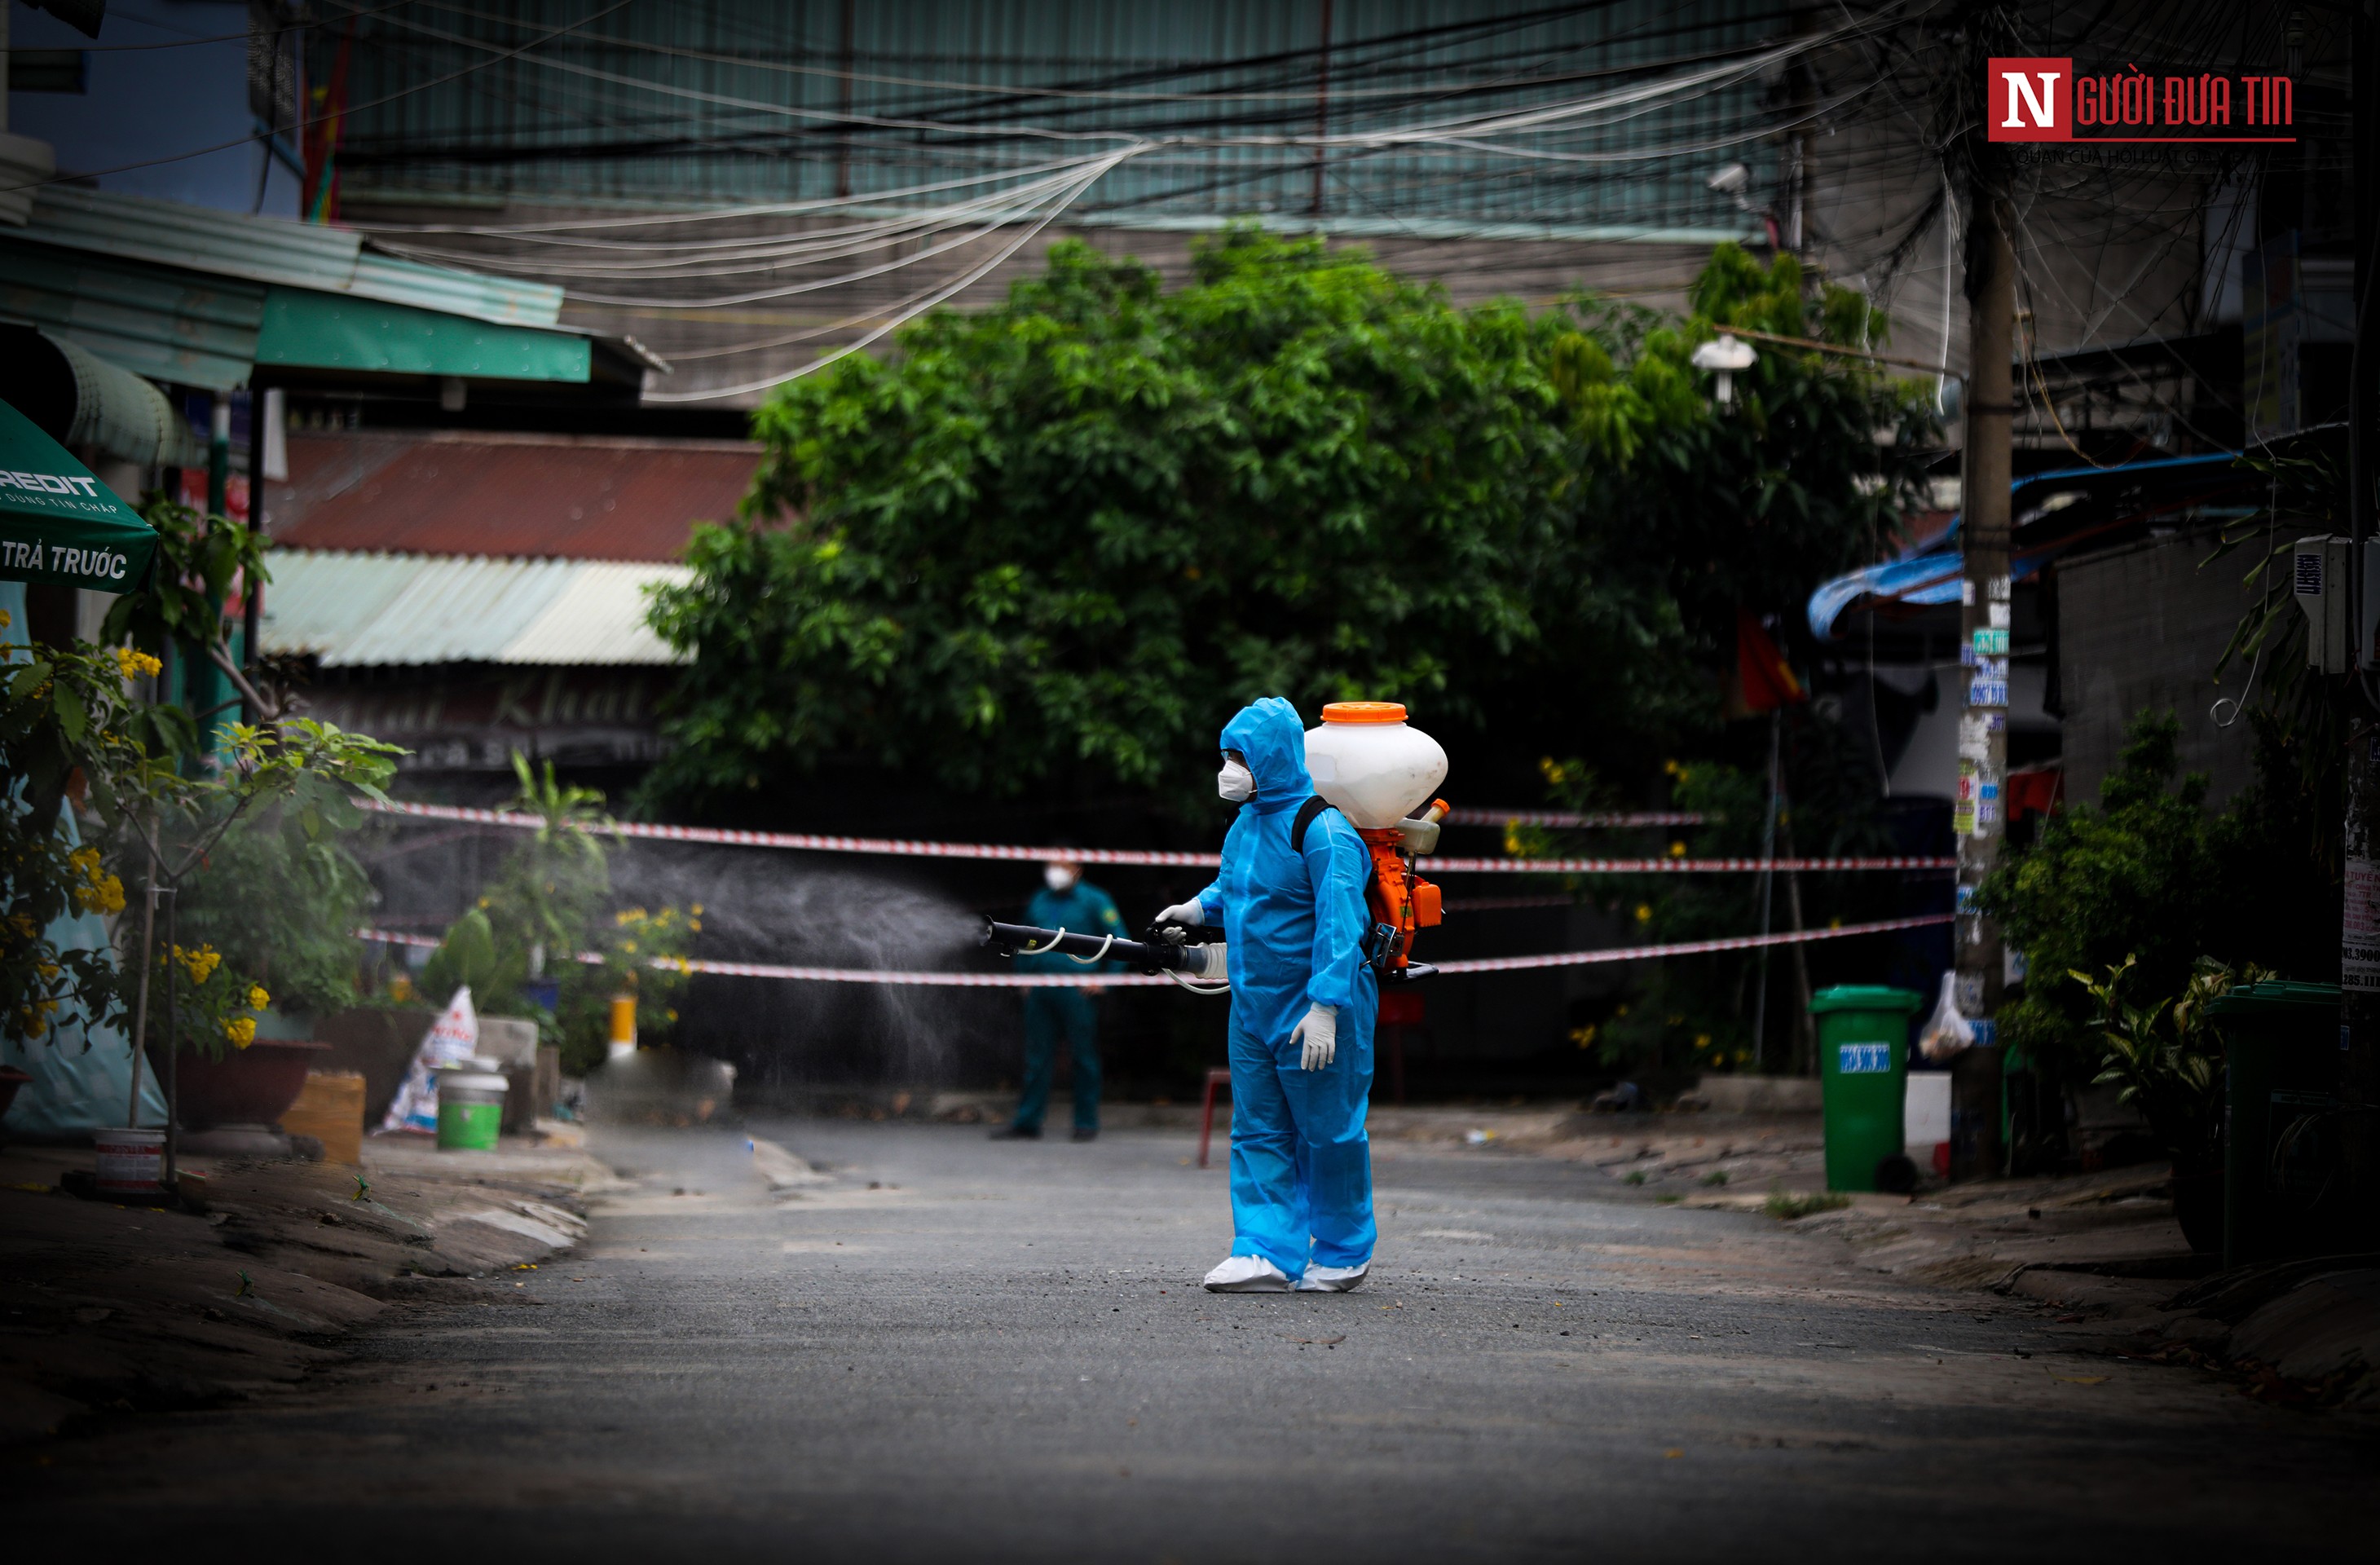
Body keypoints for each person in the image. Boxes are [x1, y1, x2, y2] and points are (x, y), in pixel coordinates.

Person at [1156, 697, 1377, 1293]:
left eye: (1241, 757)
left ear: (1274, 758)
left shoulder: (1325, 830)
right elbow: (1240, 888)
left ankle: (1343, 1250)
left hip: (1316, 1008)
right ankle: (1265, 1250)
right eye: (1227, 756)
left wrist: (1327, 1007)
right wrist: (1198, 908)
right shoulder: (1247, 824)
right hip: (1253, 1006)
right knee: (1257, 1130)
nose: (1230, 769)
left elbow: (1341, 921)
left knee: (1329, 1132)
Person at [993, 856, 1123, 1143]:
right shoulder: (1040, 898)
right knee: (1037, 1058)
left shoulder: (1095, 900)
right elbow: (1021, 940)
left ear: (1077, 869)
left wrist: (1104, 981)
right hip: (1040, 989)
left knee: (1083, 1057)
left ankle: (1086, 1123)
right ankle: (1027, 1122)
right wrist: (1023, 979)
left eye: (1062, 866)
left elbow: (1120, 939)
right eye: (1051, 866)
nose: (1055, 872)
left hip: (1077, 992)